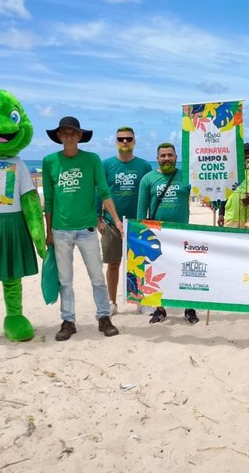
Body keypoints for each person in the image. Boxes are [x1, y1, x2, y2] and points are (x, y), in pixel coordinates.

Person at [43, 116, 122, 341]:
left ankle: (104, 317)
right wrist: (48, 231)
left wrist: (116, 219)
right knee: (65, 280)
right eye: (65, 133)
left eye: (73, 133)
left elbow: (104, 192)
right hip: (60, 230)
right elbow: (49, 200)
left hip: (87, 229)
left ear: (79, 136)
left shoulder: (92, 160)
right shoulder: (49, 161)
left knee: (97, 276)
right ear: (59, 136)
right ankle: (68, 321)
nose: (69, 136)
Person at [137, 142, 200, 325]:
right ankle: (160, 309)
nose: (167, 158)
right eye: (163, 155)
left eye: (170, 155)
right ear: (157, 158)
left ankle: (189, 307)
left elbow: (203, 193)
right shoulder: (148, 179)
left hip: (182, 233)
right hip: (157, 234)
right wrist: (140, 233)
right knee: (158, 271)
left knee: (186, 271)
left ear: (176, 157)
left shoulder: (186, 176)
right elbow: (141, 209)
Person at [98, 126, 152, 316]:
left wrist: (150, 219)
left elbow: (150, 193)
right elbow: (99, 192)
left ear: (134, 142)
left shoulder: (144, 166)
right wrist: (98, 218)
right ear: (116, 142)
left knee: (137, 264)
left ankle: (139, 301)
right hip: (111, 223)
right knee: (113, 264)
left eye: (128, 139)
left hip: (137, 224)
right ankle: (112, 302)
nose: (125, 142)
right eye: (121, 139)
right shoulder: (106, 165)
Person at [218, 142, 249, 227]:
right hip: (231, 217)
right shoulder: (230, 171)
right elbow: (224, 194)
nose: (247, 155)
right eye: (245, 153)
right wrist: (221, 214)